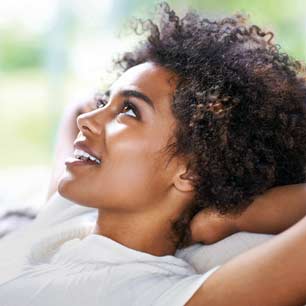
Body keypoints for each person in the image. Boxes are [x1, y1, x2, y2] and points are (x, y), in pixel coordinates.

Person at [0, 2, 306, 305]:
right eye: (105, 101)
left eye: (129, 110)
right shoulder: (74, 209)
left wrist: (233, 219)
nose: (87, 120)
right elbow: (77, 112)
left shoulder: (146, 292)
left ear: (189, 172)